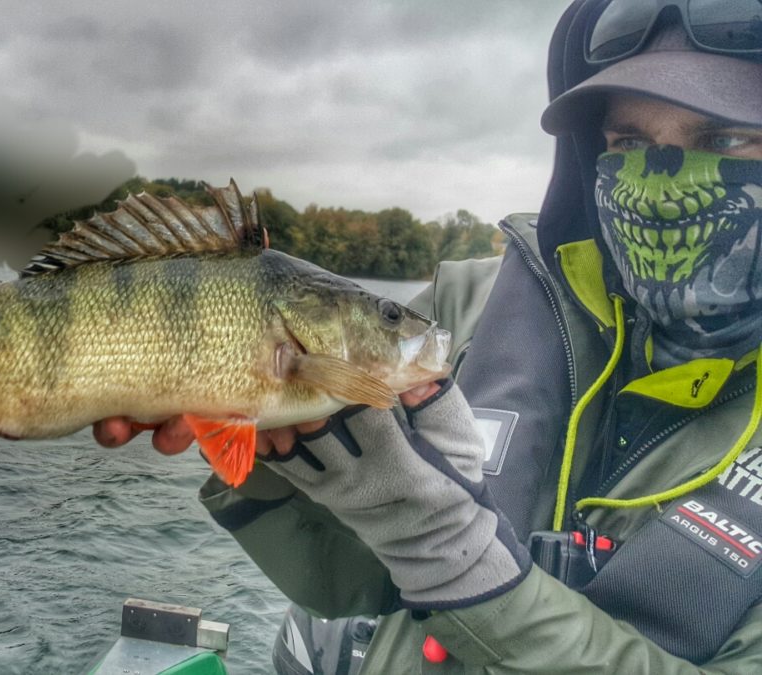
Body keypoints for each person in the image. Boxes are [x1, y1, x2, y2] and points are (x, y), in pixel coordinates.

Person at [96, 0, 762, 671]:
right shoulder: (467, 307)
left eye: (723, 140)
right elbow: (353, 581)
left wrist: (453, 550)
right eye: (630, 143)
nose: (662, 180)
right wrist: (270, 456)